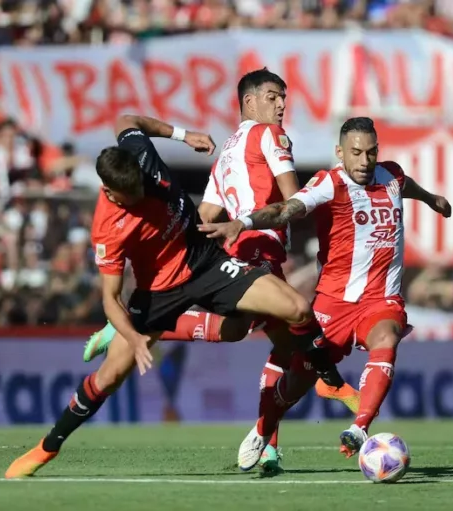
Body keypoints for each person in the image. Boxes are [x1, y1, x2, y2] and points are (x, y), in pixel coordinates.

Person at [5, 114, 341, 479]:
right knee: (109, 377)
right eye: (132, 197)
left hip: (206, 262)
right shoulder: (108, 229)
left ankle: (326, 376)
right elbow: (110, 298)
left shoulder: (139, 153)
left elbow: (126, 119)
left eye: (142, 186)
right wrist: (134, 338)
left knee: (294, 309)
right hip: (158, 292)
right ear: (110, 193)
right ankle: (47, 447)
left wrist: (183, 135)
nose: (142, 196)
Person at [80, 68, 360, 474]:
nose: (281, 104)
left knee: (253, 335)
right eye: (272, 96)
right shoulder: (271, 135)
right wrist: (335, 201)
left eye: (283, 97)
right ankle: (286, 420)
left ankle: (267, 439)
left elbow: (205, 216)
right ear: (249, 102)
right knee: (288, 336)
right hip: (258, 247)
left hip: (238, 250)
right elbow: (293, 200)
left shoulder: (227, 153)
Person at [199, 117, 452, 469]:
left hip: (381, 299)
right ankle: (263, 428)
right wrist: (243, 223)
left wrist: (431, 198)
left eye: (371, 152)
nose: (364, 161)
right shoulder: (329, 183)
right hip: (333, 303)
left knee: (387, 337)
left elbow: (405, 183)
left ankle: (359, 427)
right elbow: (286, 209)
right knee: (298, 380)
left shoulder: (390, 174)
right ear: (340, 153)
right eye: (356, 153)